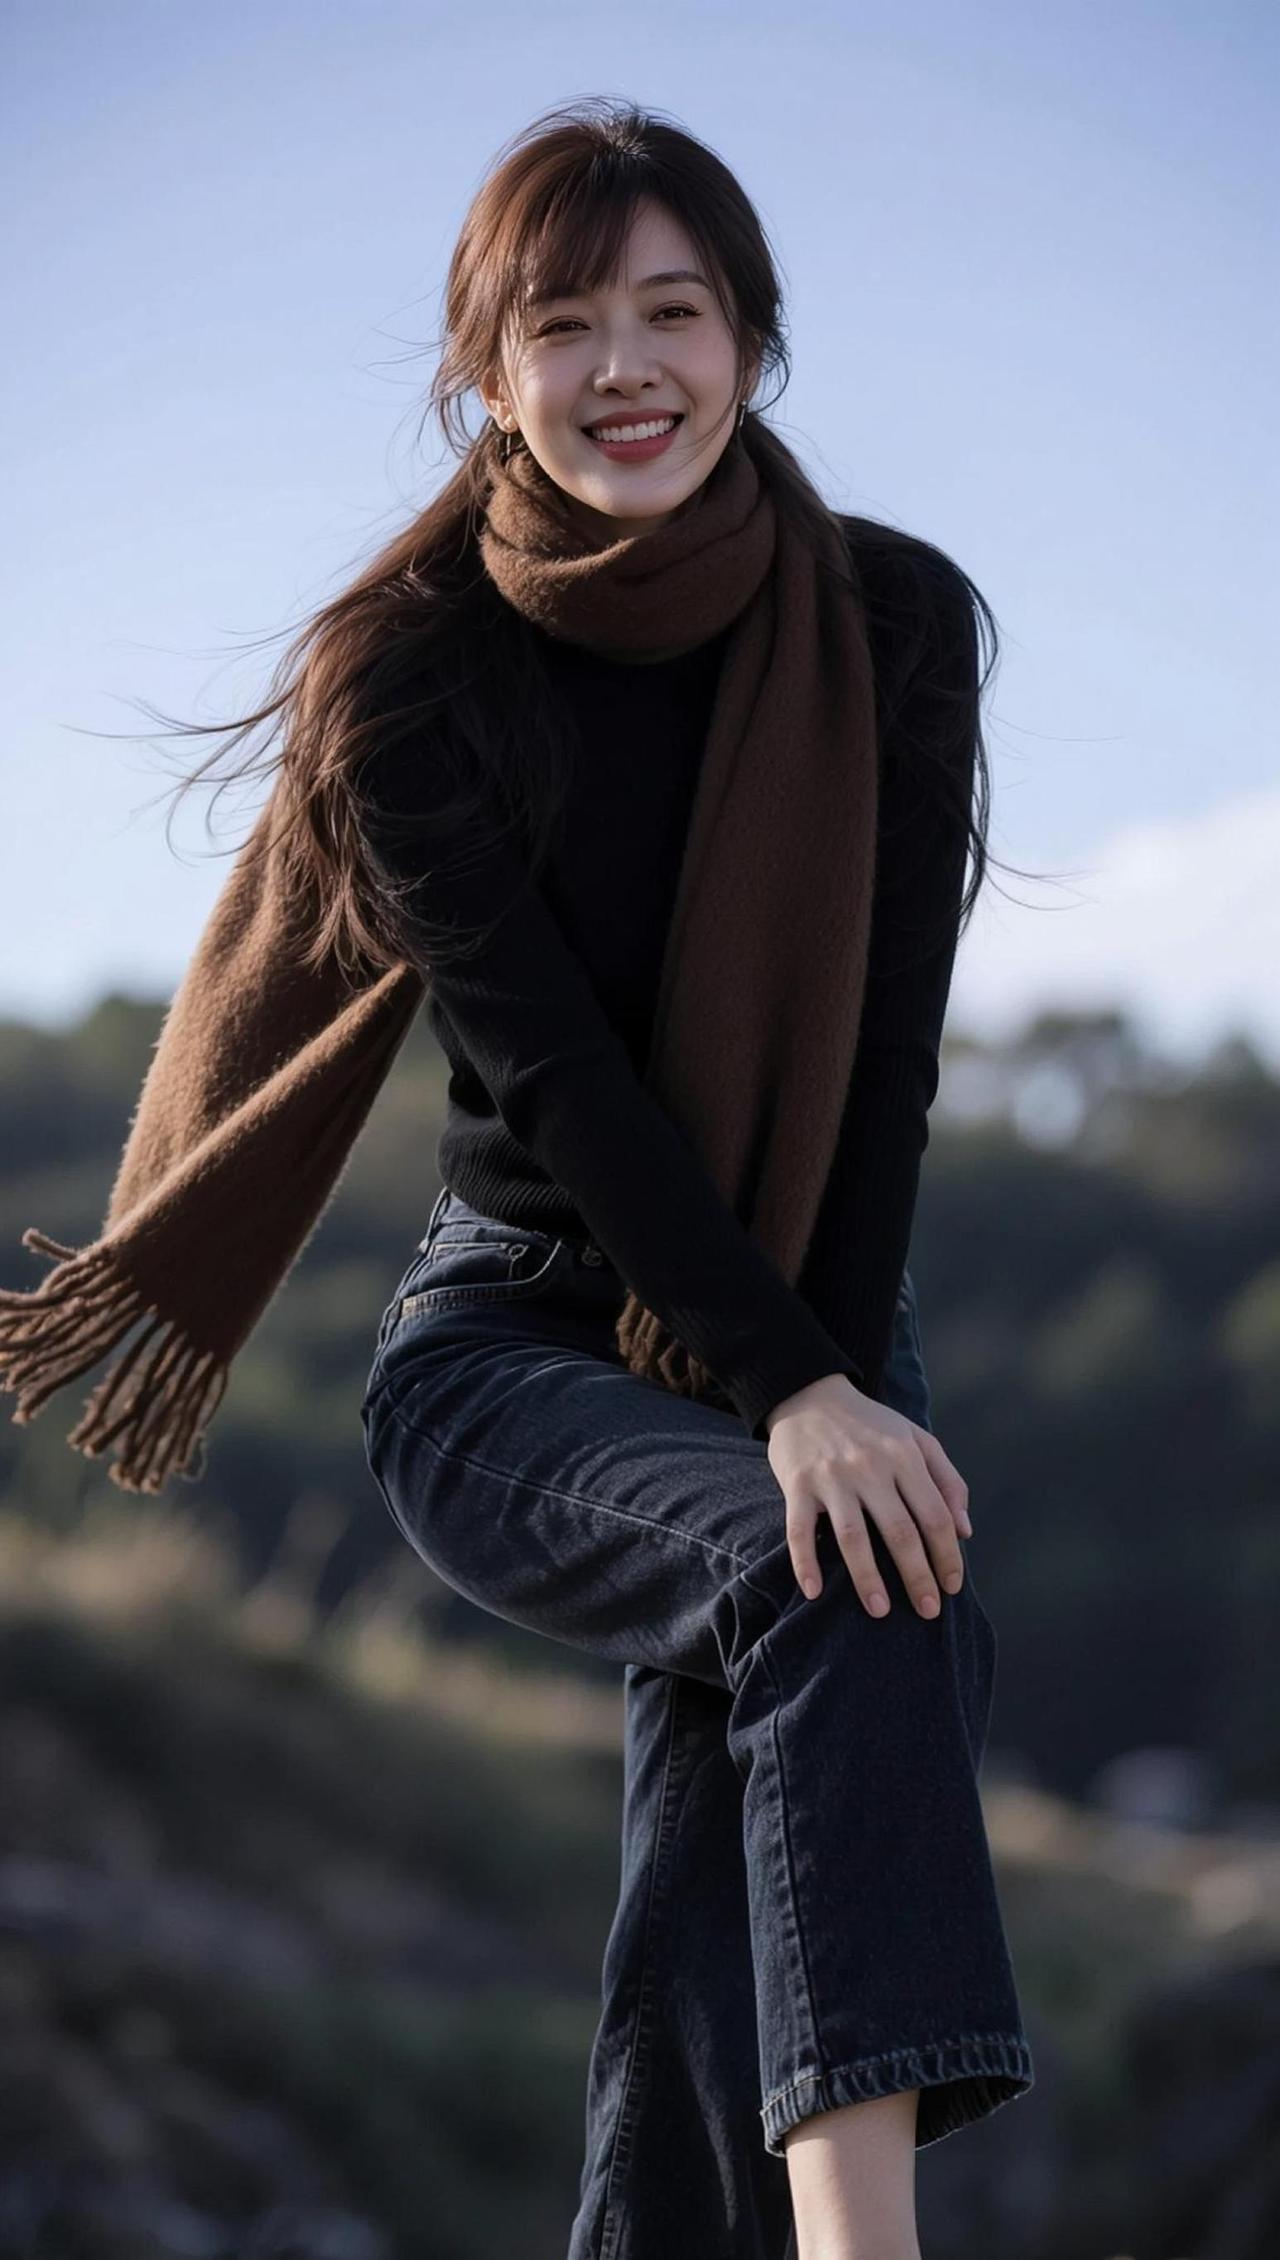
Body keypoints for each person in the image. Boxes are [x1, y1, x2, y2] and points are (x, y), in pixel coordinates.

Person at [1, 96, 1034, 2260]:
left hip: (817, 1300)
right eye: (562, 325)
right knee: (839, 1579)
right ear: (486, 370)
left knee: (746, 1791)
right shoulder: (412, 679)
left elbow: (881, 1061)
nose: (623, 367)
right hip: (511, 1345)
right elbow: (561, 1083)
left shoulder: (892, 623)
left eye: (674, 311)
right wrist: (791, 1400)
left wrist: (828, 1376)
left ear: (751, 338)